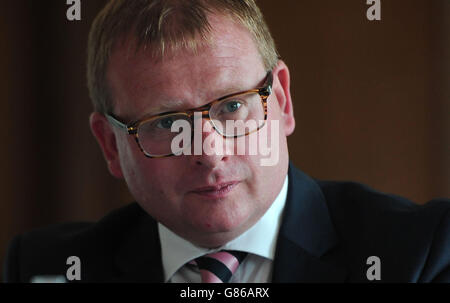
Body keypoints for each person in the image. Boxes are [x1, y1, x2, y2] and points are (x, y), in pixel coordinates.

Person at [3, 0, 450, 283]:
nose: (209, 152)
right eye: (164, 123)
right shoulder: (46, 268)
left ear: (282, 100)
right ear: (109, 146)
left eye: (232, 108)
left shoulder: (417, 257)